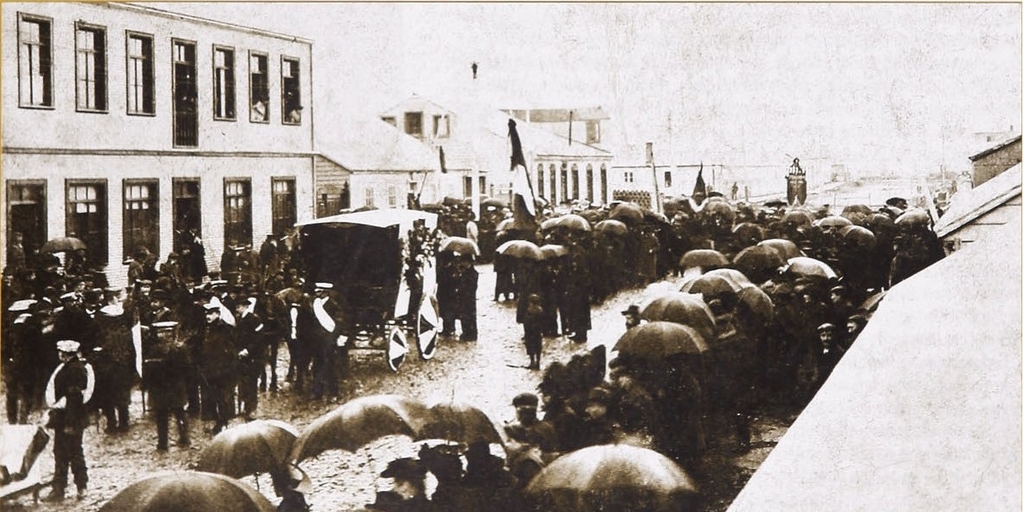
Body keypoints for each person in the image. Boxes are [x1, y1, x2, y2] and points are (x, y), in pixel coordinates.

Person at [43, 340, 94, 501]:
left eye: (61, 352)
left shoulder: (74, 370)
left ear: (65, 354)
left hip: (69, 418)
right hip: (68, 418)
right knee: (69, 452)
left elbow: (74, 399)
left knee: (67, 453)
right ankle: (72, 487)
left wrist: (70, 423)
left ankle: (65, 489)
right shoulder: (73, 367)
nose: (59, 355)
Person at [146, 321, 191, 451]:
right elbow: (149, 368)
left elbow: (187, 367)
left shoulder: (180, 348)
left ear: (172, 333)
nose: (163, 335)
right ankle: (162, 442)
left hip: (175, 385)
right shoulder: (154, 349)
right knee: (162, 415)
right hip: (161, 388)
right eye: (160, 332)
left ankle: (184, 438)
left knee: (179, 413)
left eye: (166, 332)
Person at [199, 302, 238, 434]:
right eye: (206, 313)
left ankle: (223, 422)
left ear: (218, 314)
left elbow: (229, 351)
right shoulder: (206, 328)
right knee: (212, 397)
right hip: (209, 369)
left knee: (222, 398)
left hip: (222, 370)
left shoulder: (225, 329)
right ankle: (217, 421)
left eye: (210, 313)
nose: (207, 316)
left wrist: (226, 368)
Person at [521, 294, 544, 370]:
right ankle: (537, 362)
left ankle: (532, 362)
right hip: (538, 333)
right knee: (538, 347)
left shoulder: (529, 311)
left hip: (530, 333)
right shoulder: (540, 311)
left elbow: (526, 322)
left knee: (530, 347)